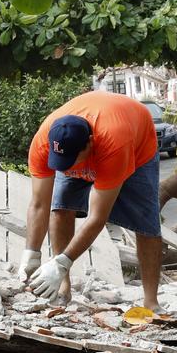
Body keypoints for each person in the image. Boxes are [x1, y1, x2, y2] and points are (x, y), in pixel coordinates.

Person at [19, 91, 161, 309]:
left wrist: (61, 263)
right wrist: (31, 252)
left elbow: (97, 218)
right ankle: (63, 290)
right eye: (61, 161)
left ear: (90, 144)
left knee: (145, 223)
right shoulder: (44, 143)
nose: (67, 167)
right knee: (60, 207)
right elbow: (39, 204)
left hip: (136, 145)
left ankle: (151, 302)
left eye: (71, 161)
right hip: (96, 136)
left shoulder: (115, 143)